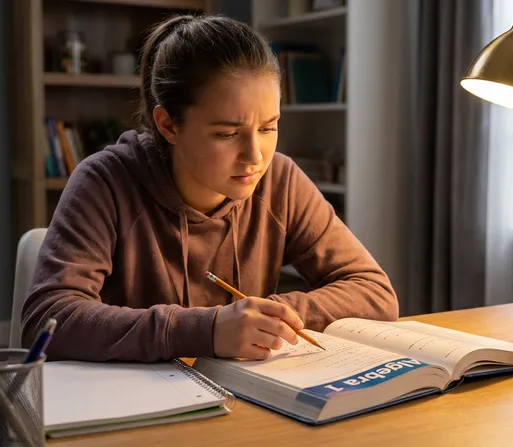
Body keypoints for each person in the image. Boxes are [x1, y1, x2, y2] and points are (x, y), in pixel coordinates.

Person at [21, 14, 398, 363]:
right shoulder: (106, 181)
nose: (255, 156)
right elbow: (48, 320)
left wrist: (270, 318)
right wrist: (207, 329)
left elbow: (374, 292)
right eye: (227, 134)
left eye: (268, 128)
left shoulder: (280, 180)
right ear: (168, 125)